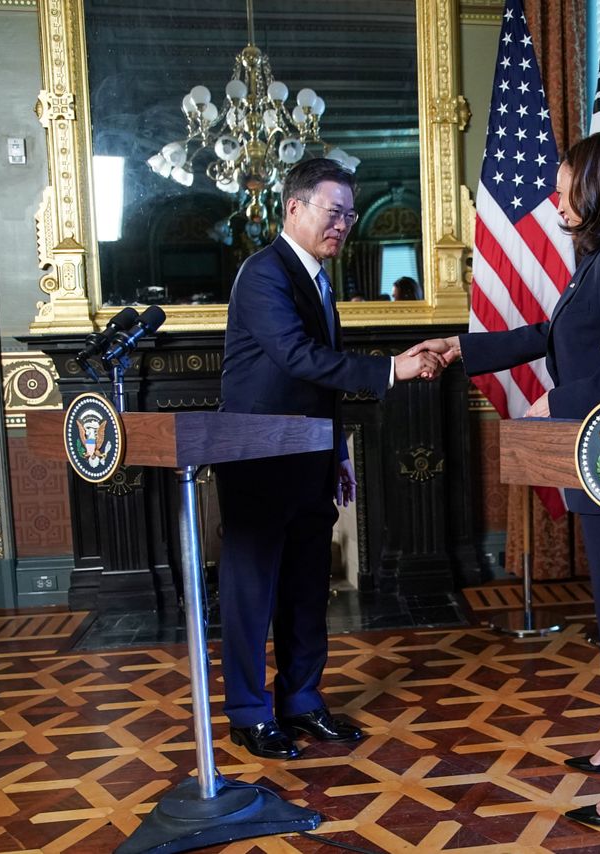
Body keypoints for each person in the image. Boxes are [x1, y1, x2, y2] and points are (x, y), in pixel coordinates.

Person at [409, 131, 600, 828]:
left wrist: (552, 403)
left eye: (566, 190)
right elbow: (552, 335)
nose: (556, 203)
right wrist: (460, 347)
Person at [216, 157, 442, 761]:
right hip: (256, 460)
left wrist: (338, 450)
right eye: (333, 211)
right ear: (294, 208)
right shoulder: (262, 274)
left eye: (349, 214)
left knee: (306, 589)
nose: (343, 224)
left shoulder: (319, 280)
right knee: (251, 594)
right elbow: (296, 357)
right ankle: (248, 714)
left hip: (311, 457)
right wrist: (391, 368)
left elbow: (319, 385)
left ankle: (301, 701)